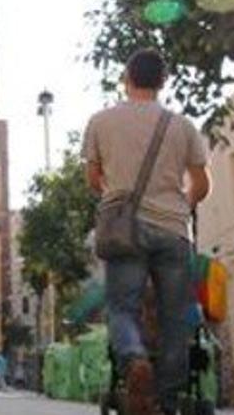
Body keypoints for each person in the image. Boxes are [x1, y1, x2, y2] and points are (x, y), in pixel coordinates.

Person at [83, 49, 211, 415]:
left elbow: (93, 178)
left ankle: (135, 358)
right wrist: (180, 205)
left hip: (125, 230)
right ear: (163, 82)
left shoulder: (101, 121)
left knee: (122, 307)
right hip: (173, 230)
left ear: (127, 77)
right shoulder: (183, 125)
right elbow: (201, 184)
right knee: (175, 319)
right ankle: (166, 403)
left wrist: (118, 195)